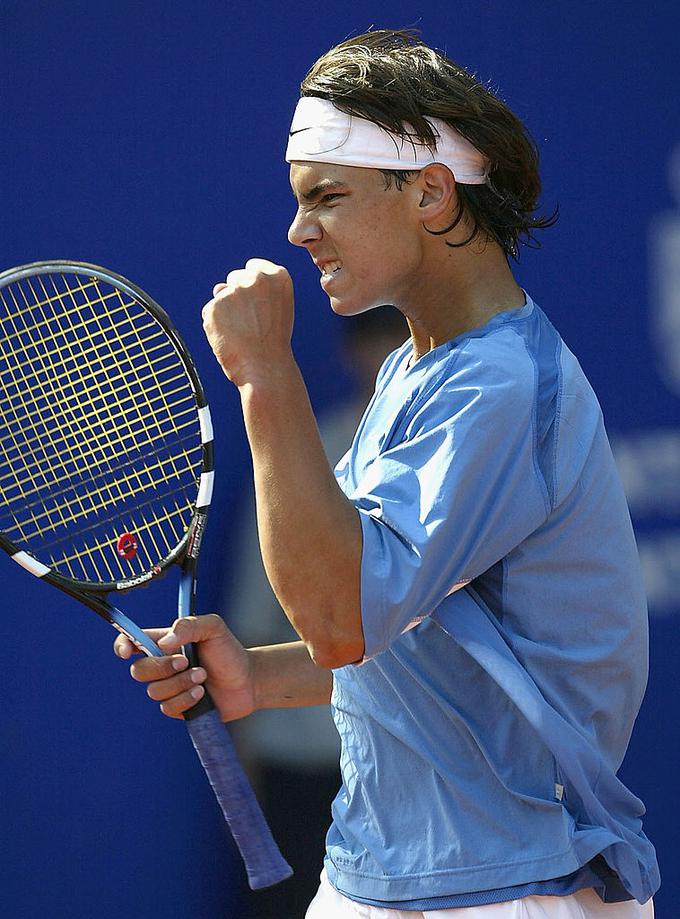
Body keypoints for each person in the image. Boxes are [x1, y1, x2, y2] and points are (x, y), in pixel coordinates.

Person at [114, 29, 660, 918]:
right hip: (380, 873)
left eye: (326, 196)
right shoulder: (420, 368)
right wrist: (259, 674)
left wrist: (265, 376)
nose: (298, 230)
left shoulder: (501, 384)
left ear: (433, 194)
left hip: (506, 892)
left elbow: (340, 618)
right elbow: (418, 641)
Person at [225, 306, 408, 919]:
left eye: (398, 341)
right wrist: (244, 785)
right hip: (303, 773)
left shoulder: (461, 455)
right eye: (372, 343)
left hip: (407, 773)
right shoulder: (303, 461)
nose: (384, 360)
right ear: (350, 354)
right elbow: (253, 628)